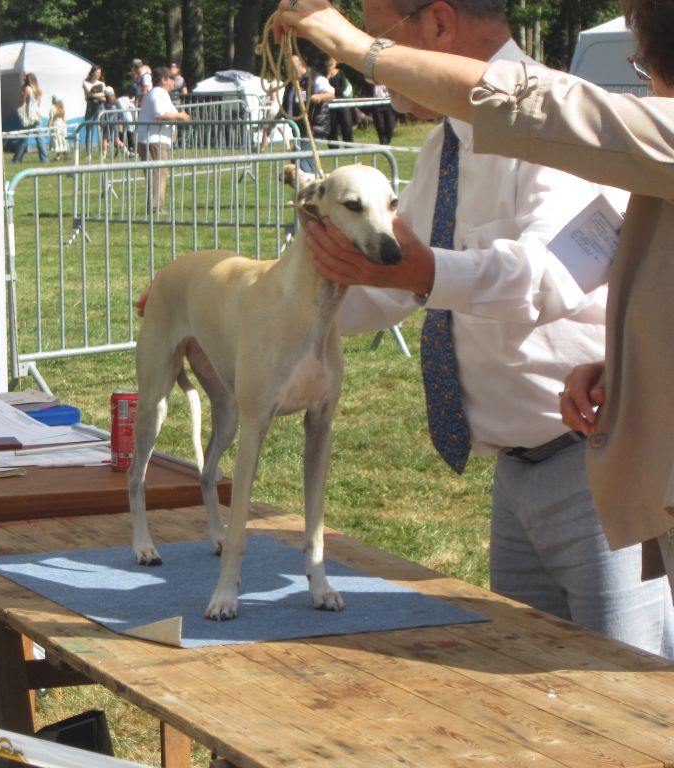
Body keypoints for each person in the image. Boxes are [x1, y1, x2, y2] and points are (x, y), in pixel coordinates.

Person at [272, 0, 674, 659]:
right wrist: (256, 314)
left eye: (385, 38)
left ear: (436, 25)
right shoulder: (443, 149)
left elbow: (543, 277)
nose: (381, 69)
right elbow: (392, 289)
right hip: (517, 475)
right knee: (537, 697)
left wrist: (425, 271)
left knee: (626, 687)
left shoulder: (559, 129)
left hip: (591, 469)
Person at [135, 66, 191, 214]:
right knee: (157, 174)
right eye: (172, 79)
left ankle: (156, 206)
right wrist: (181, 116)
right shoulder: (159, 94)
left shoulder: (158, 94)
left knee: (157, 173)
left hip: (153, 139)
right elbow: (160, 115)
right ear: (164, 80)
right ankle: (155, 208)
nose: (174, 82)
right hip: (154, 140)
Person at [280, 53, 334, 182]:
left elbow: (331, 94)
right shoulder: (292, 84)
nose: (289, 72)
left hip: (314, 127)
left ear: (302, 66)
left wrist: (319, 97)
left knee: (302, 157)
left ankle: (309, 188)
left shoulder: (315, 79)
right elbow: (285, 106)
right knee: (299, 157)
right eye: (288, 69)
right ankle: (316, 185)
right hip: (298, 129)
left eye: (292, 69)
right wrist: (270, 122)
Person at [12, 72, 48, 164]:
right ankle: (44, 159)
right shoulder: (38, 90)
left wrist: (22, 92)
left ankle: (17, 159)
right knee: (40, 138)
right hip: (37, 114)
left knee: (23, 138)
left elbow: (22, 100)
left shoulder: (27, 88)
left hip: (29, 115)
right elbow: (39, 105)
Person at [324, 55, 355, 144]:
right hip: (329, 106)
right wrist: (327, 76)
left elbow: (343, 88)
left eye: (333, 61)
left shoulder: (340, 73)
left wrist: (332, 93)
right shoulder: (324, 76)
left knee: (346, 125)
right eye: (329, 61)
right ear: (325, 63)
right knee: (331, 128)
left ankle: (349, 146)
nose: (331, 63)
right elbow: (323, 89)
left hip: (342, 104)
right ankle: (333, 148)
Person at [82, 65, 107, 150]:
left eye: (100, 73)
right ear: (92, 73)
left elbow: (104, 95)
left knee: (102, 128)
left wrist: (96, 95)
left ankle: (103, 150)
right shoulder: (86, 83)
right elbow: (89, 93)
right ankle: (88, 152)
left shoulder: (101, 83)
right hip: (90, 106)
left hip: (100, 105)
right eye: (97, 72)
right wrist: (98, 95)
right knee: (89, 129)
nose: (98, 74)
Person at [49, 94, 70, 161]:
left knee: (57, 141)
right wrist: (66, 125)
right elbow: (64, 119)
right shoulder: (61, 108)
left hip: (56, 126)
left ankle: (59, 155)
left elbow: (51, 119)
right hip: (62, 126)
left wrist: (49, 126)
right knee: (63, 140)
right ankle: (63, 154)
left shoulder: (53, 108)